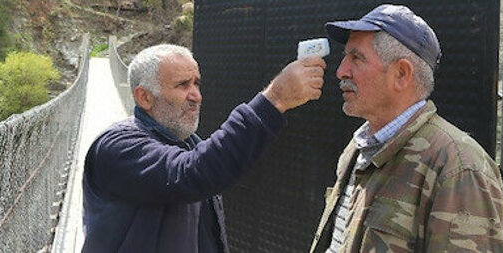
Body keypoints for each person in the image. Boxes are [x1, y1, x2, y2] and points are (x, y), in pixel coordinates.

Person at [82, 43, 326, 253]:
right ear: (144, 97)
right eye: (182, 85)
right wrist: (275, 99)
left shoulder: (189, 144)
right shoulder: (117, 148)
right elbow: (191, 173)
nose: (196, 95)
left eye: (197, 83)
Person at [310, 4, 503, 252]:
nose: (341, 71)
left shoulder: (459, 167)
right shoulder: (360, 147)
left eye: (356, 58)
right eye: (344, 58)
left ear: (402, 74)